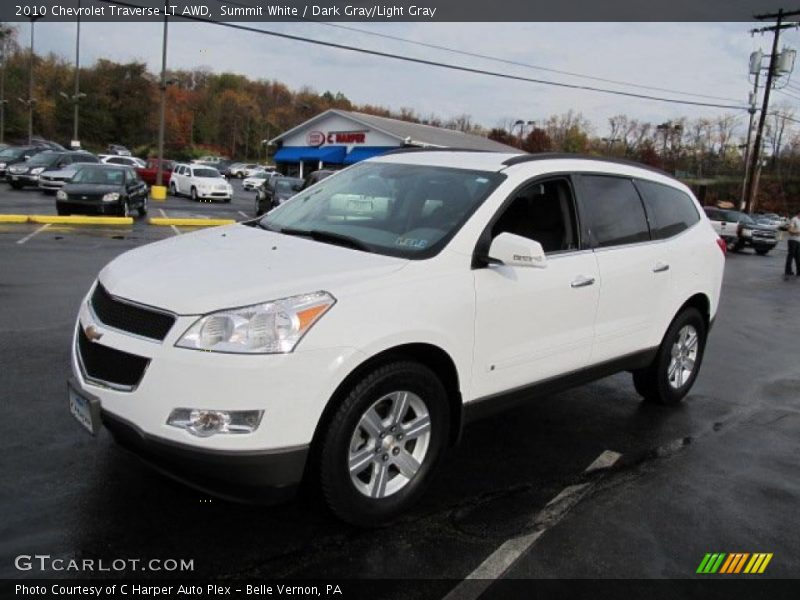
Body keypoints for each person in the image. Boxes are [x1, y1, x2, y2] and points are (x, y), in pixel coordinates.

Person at [786, 208, 800, 280]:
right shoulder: (794, 219)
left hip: (798, 241)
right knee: (791, 255)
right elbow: (789, 230)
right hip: (792, 241)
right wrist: (796, 233)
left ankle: (798, 271)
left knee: (798, 257)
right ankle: (788, 271)